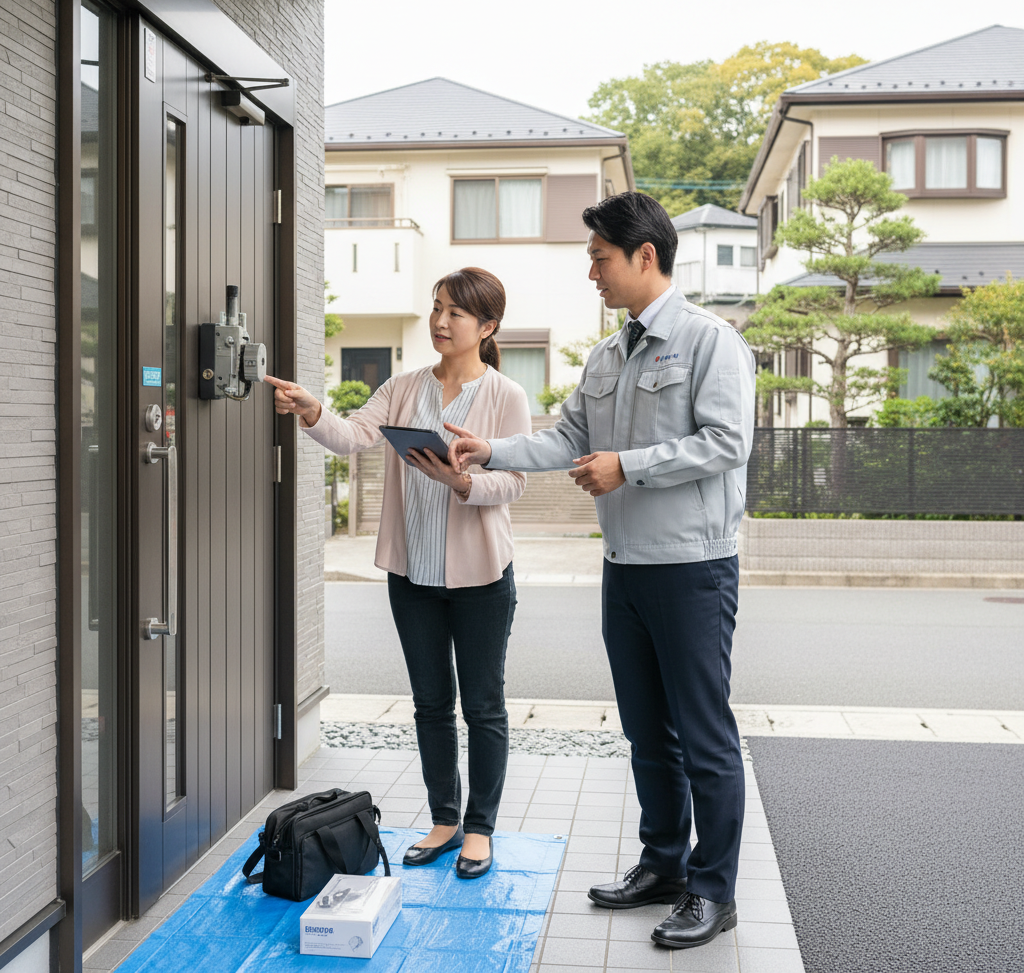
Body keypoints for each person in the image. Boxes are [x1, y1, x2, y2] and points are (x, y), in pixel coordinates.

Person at [447, 193, 755, 947]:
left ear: (644, 256)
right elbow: (569, 439)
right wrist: (494, 451)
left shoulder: (710, 341)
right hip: (626, 569)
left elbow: (728, 442)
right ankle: (665, 866)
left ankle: (715, 892)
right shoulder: (609, 354)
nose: (592, 272)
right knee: (648, 734)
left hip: (693, 569)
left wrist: (631, 466)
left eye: (600, 258)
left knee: (704, 736)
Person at [265, 267, 531, 880]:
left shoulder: (505, 395)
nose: (440, 321)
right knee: (431, 702)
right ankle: (444, 819)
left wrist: (459, 481)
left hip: (483, 577)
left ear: (486, 326)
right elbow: (356, 435)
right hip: (412, 574)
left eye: (455, 313)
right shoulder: (405, 386)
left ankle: (481, 827)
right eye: (436, 308)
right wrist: (311, 409)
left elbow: (514, 479)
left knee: (483, 705)